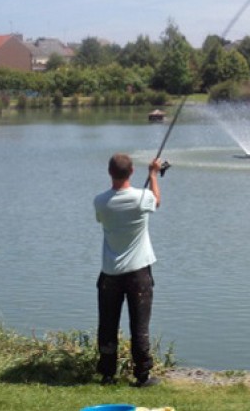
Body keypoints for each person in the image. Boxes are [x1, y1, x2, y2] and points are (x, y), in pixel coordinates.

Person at [93, 153, 163, 387]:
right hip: (138, 273)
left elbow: (102, 219)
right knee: (139, 327)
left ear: (109, 172)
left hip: (110, 274)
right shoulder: (143, 198)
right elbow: (156, 200)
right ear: (132, 171)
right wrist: (153, 174)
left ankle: (107, 375)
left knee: (107, 325)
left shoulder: (100, 201)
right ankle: (142, 376)